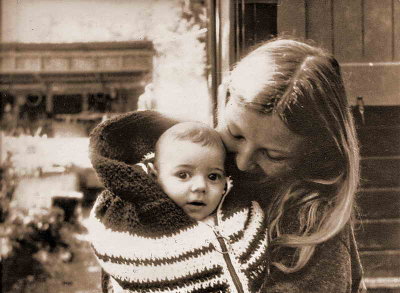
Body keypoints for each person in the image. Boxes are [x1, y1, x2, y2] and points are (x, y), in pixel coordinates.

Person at [90, 38, 364, 293]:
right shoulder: (179, 171)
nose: (243, 163)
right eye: (235, 134)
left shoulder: (312, 224)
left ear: (312, 152)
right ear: (223, 100)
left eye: (273, 155)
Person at [88, 120, 270, 293]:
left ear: (225, 182)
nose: (200, 186)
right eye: (183, 175)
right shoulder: (141, 225)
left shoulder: (242, 214)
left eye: (213, 176)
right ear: (154, 176)